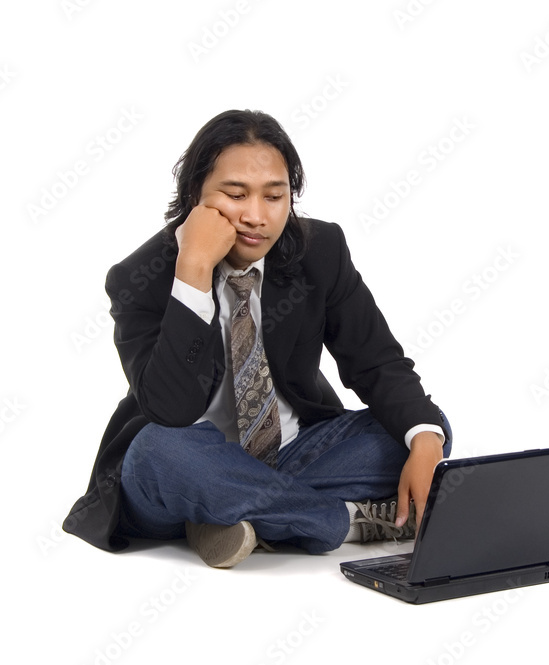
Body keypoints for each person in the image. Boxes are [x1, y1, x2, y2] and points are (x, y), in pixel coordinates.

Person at [63, 109, 451, 567]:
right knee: (157, 450)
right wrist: (193, 272)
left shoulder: (321, 250)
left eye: (274, 196)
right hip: (185, 462)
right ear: (194, 194)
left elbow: (377, 362)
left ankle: (229, 512)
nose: (255, 216)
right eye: (235, 195)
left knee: (424, 427)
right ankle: (341, 521)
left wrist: (424, 439)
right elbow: (171, 411)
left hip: (293, 454)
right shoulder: (138, 279)